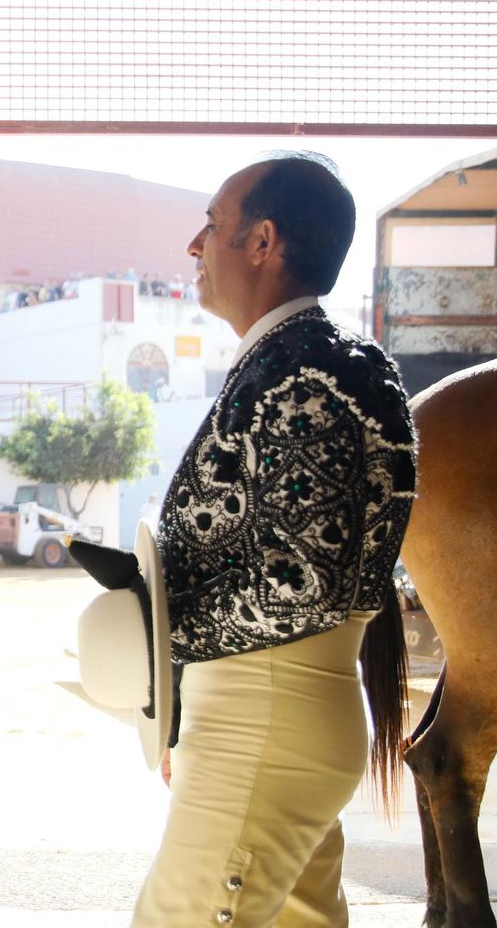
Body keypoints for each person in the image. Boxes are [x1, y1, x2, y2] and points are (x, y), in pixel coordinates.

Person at [78, 153, 416, 927]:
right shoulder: (326, 360)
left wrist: (172, 637)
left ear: (262, 242)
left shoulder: (301, 373)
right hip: (277, 711)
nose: (195, 248)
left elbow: (308, 576)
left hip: (262, 719)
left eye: (212, 225)